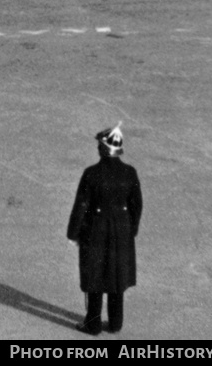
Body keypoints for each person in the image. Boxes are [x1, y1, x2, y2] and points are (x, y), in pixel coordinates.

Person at [67, 124, 143, 335]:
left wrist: (73, 233)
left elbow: (81, 205)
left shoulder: (91, 174)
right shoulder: (130, 173)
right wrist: (131, 229)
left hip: (95, 231)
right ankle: (116, 323)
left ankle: (93, 324)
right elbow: (137, 205)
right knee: (117, 278)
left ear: (103, 148)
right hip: (122, 232)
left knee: (95, 278)